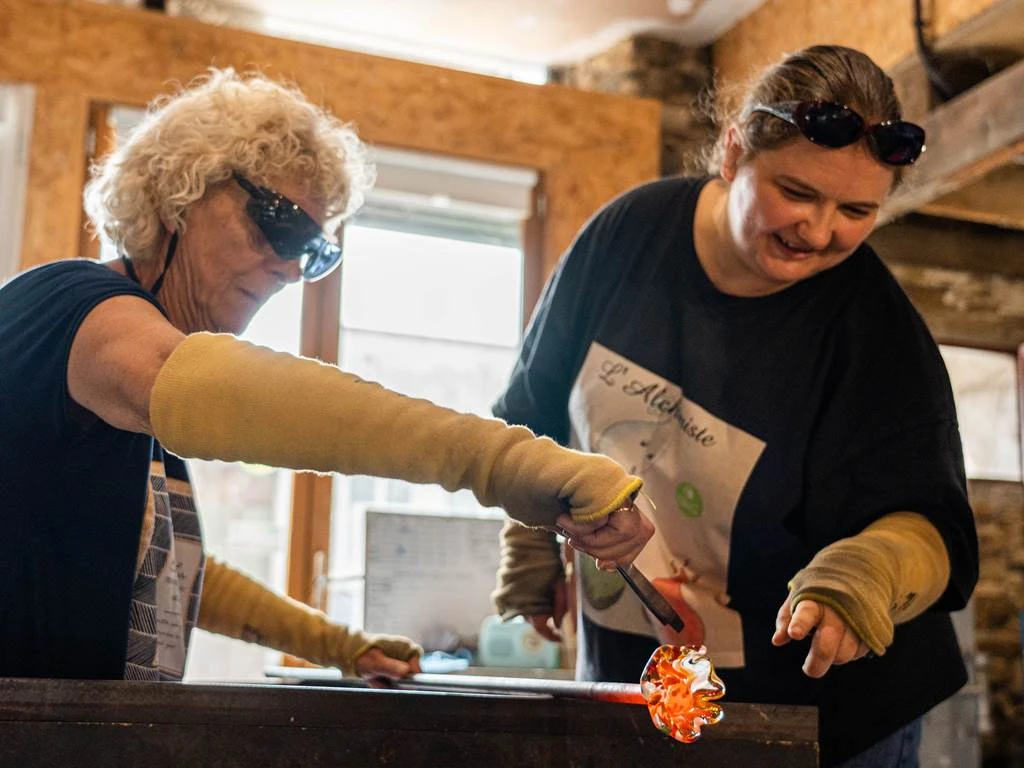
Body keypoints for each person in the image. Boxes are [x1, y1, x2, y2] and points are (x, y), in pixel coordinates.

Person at [0, 69, 654, 683]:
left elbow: (178, 572)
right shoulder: (68, 304)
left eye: (315, 253)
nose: (292, 269)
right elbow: (204, 380)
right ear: (180, 192)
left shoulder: (137, 398)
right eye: (279, 227)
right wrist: (508, 466)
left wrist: (337, 646)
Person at [490, 45, 978, 768]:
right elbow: (532, 408)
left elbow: (931, 530)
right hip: (640, 672)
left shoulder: (874, 332)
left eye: (856, 210)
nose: (818, 232)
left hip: (823, 712)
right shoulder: (628, 237)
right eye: (797, 192)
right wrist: (531, 540)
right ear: (732, 151)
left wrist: (867, 574)